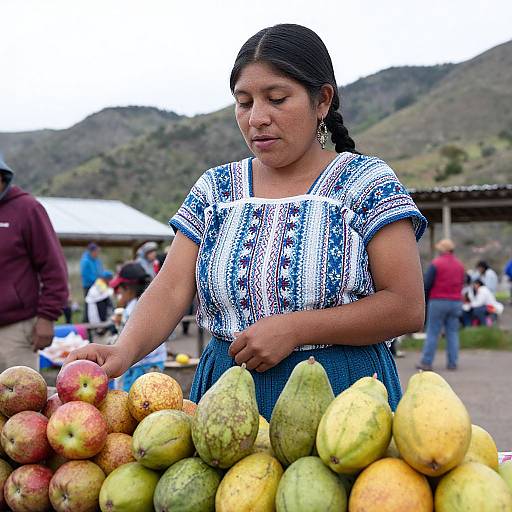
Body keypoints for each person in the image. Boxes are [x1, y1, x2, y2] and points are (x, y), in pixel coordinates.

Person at [65, 24, 426, 418]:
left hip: (343, 400)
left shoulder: (365, 182)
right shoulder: (216, 189)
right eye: (244, 102)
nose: (257, 118)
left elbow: (405, 306)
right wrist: (123, 349)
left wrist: (296, 328)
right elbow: (170, 289)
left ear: (322, 100)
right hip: (227, 395)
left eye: (276, 99)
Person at [0, 154, 68, 371]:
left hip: (16, 330)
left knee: (19, 400)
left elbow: (54, 268)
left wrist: (47, 316)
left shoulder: (27, 209)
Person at [109, 263, 167, 391]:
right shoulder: (149, 304)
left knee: (135, 399)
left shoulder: (132, 311)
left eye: (120, 289)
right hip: (155, 361)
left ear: (128, 289)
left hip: (140, 364)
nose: (118, 293)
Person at [417, 239, 465, 371]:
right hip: (456, 302)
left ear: (442, 250)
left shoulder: (436, 263)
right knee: (452, 333)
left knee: (433, 332)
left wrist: (424, 301)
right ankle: (452, 362)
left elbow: (427, 284)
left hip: (438, 301)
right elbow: (463, 282)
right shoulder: (460, 265)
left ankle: (426, 362)